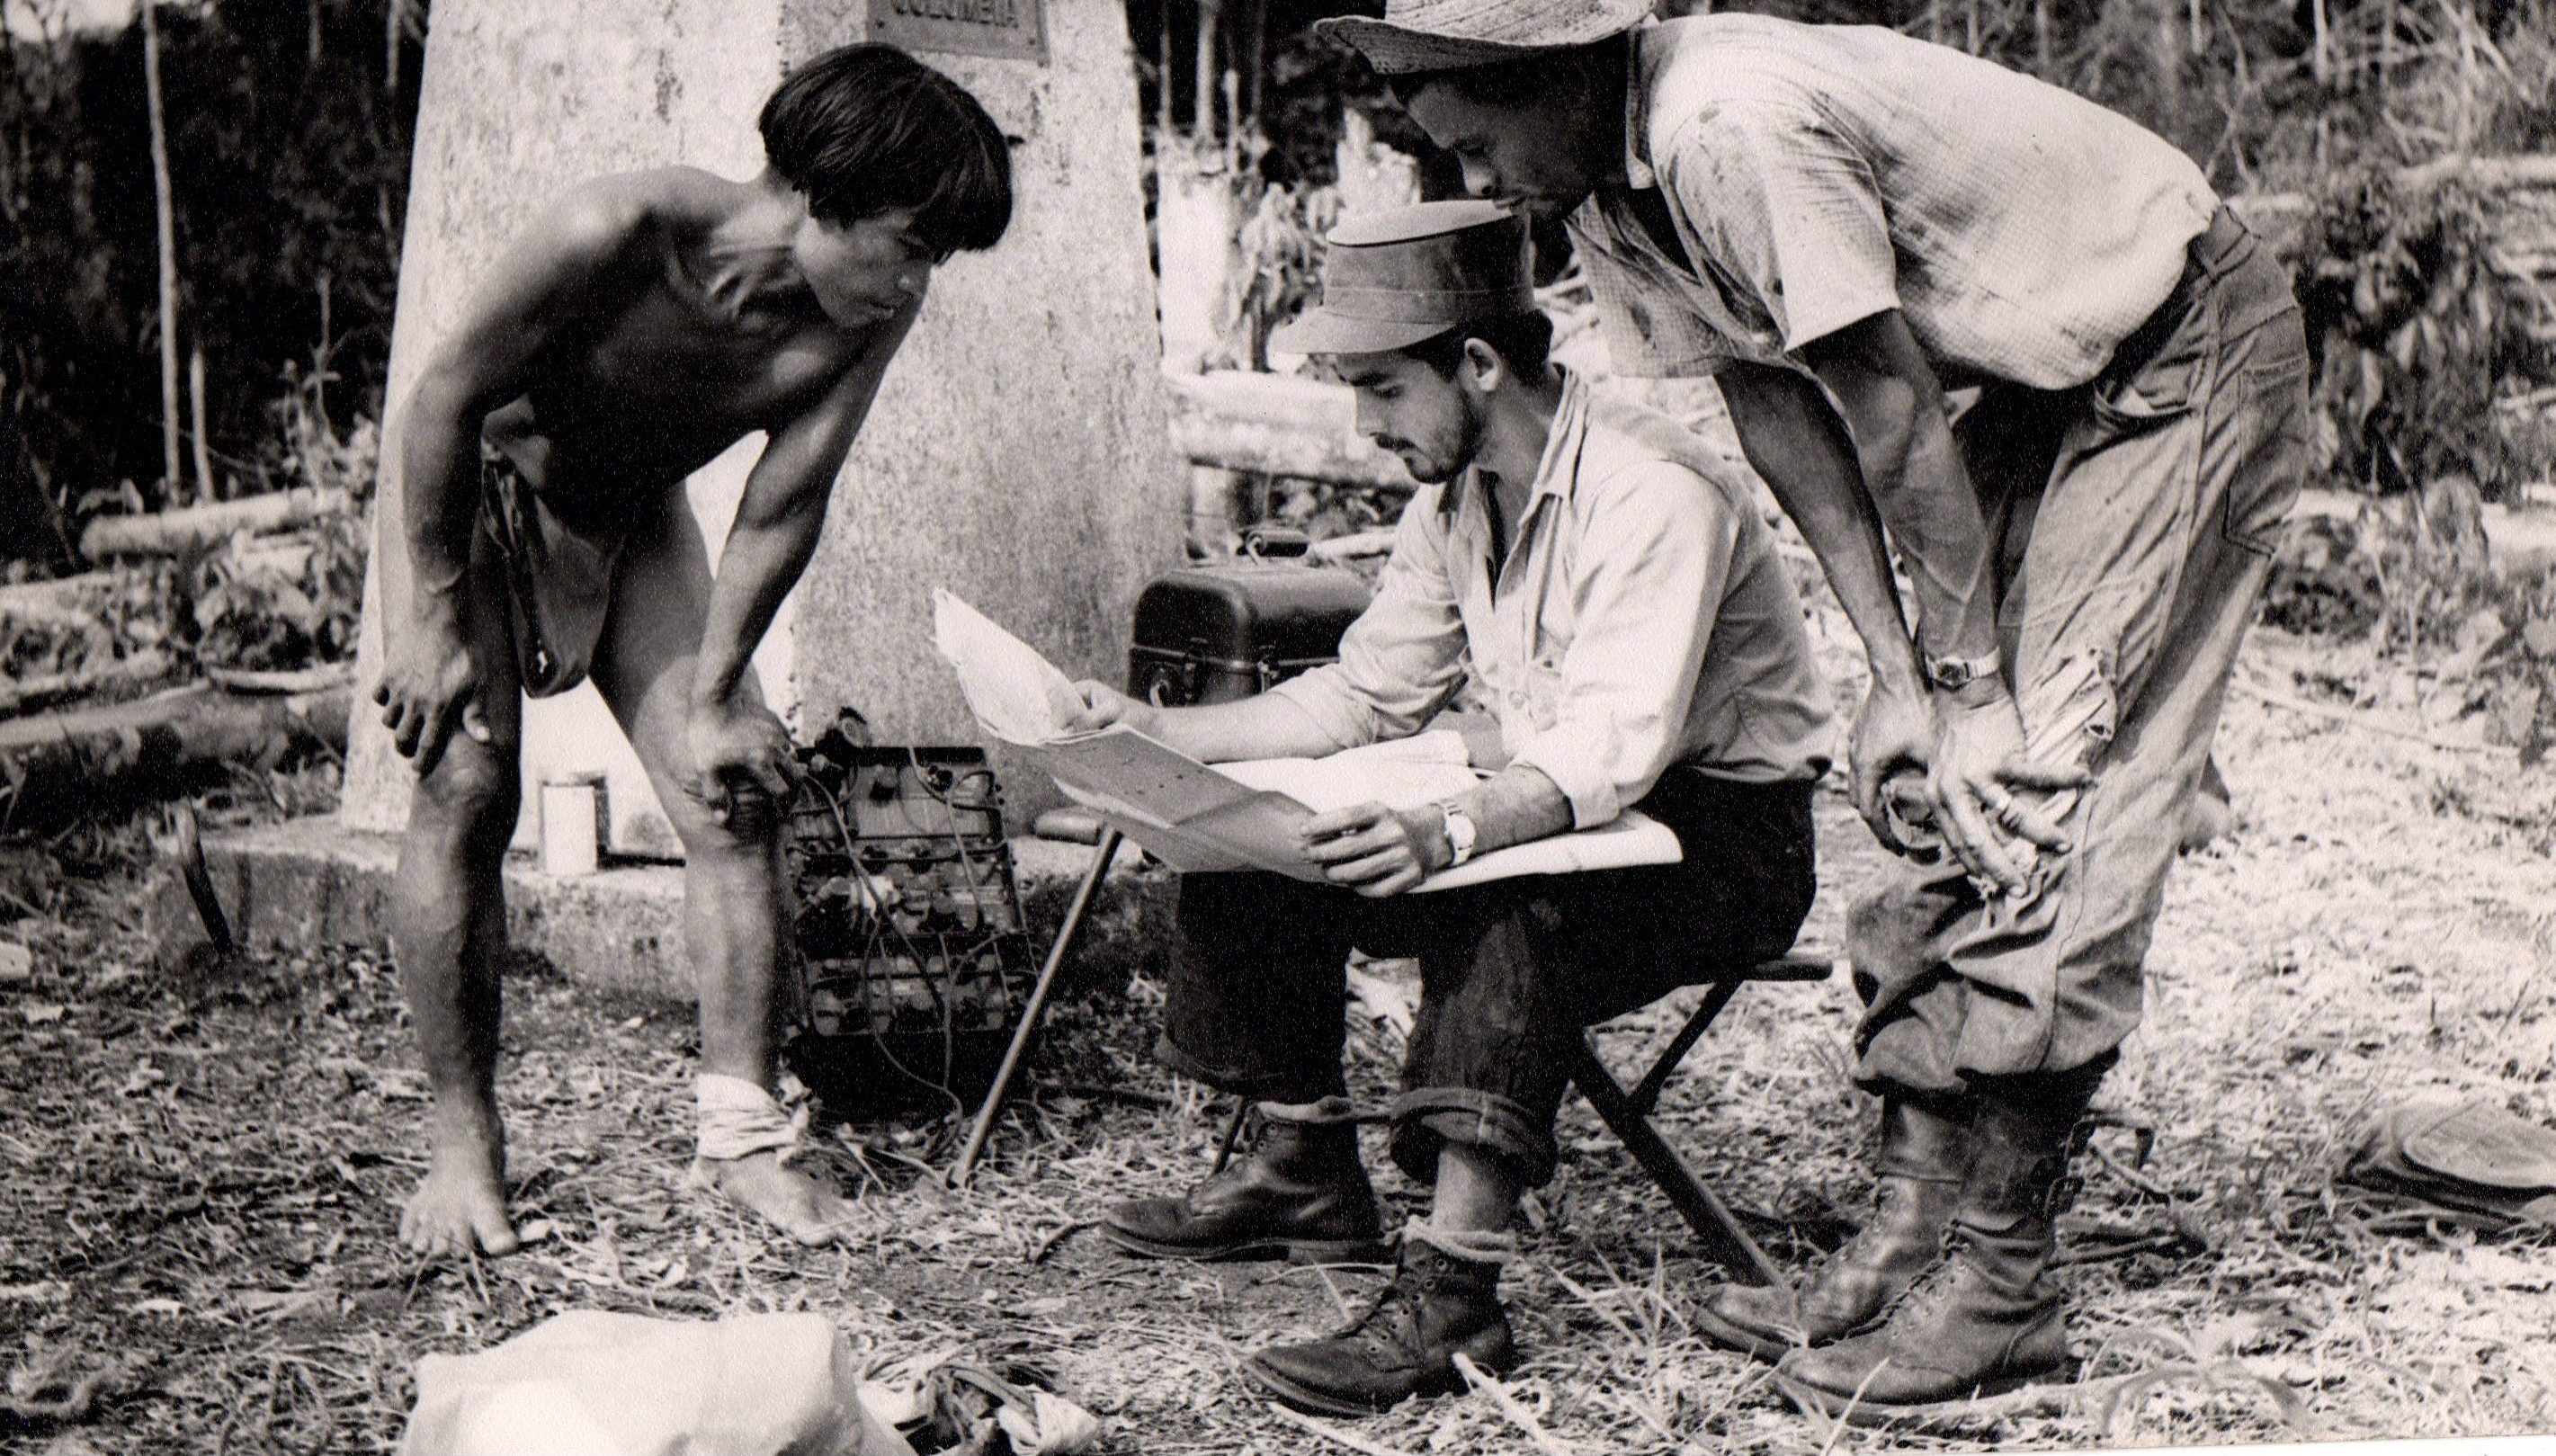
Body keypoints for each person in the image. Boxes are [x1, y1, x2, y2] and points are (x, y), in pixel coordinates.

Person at [1317, 0, 2310, 1418]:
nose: (1474, 180)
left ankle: (2003, 1280)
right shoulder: (1605, 190)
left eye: (1474, 137)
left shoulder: (1723, 127)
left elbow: (1892, 412)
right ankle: (1910, 1225)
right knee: (1923, 782)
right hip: (2040, 374)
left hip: (2170, 340)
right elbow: (1780, 411)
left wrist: (1966, 686)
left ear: (1550, 68)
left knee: (2036, 770)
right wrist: (1900, 686)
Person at [1068, 200, 1834, 1418]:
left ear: (1476, 363)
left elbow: (1610, 745)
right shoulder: (1454, 499)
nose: (1364, 427)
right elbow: (1368, 696)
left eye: (1378, 389)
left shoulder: (1653, 493)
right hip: (1574, 798)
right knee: (1245, 821)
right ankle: (1302, 1161)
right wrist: (1152, 739)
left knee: (1511, 903)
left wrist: (1450, 829)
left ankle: (1456, 1295)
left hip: (1720, 840)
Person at [370, 44, 1012, 1258]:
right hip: (475, 497)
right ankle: (464, 1149)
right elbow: (442, 398)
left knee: (731, 800)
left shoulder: (869, 310)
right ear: (821, 196)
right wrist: (429, 618)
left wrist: (718, 693)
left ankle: (739, 1141)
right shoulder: (619, 229)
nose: (919, 279)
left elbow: (784, 498)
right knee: (462, 784)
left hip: (632, 511)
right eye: (910, 242)